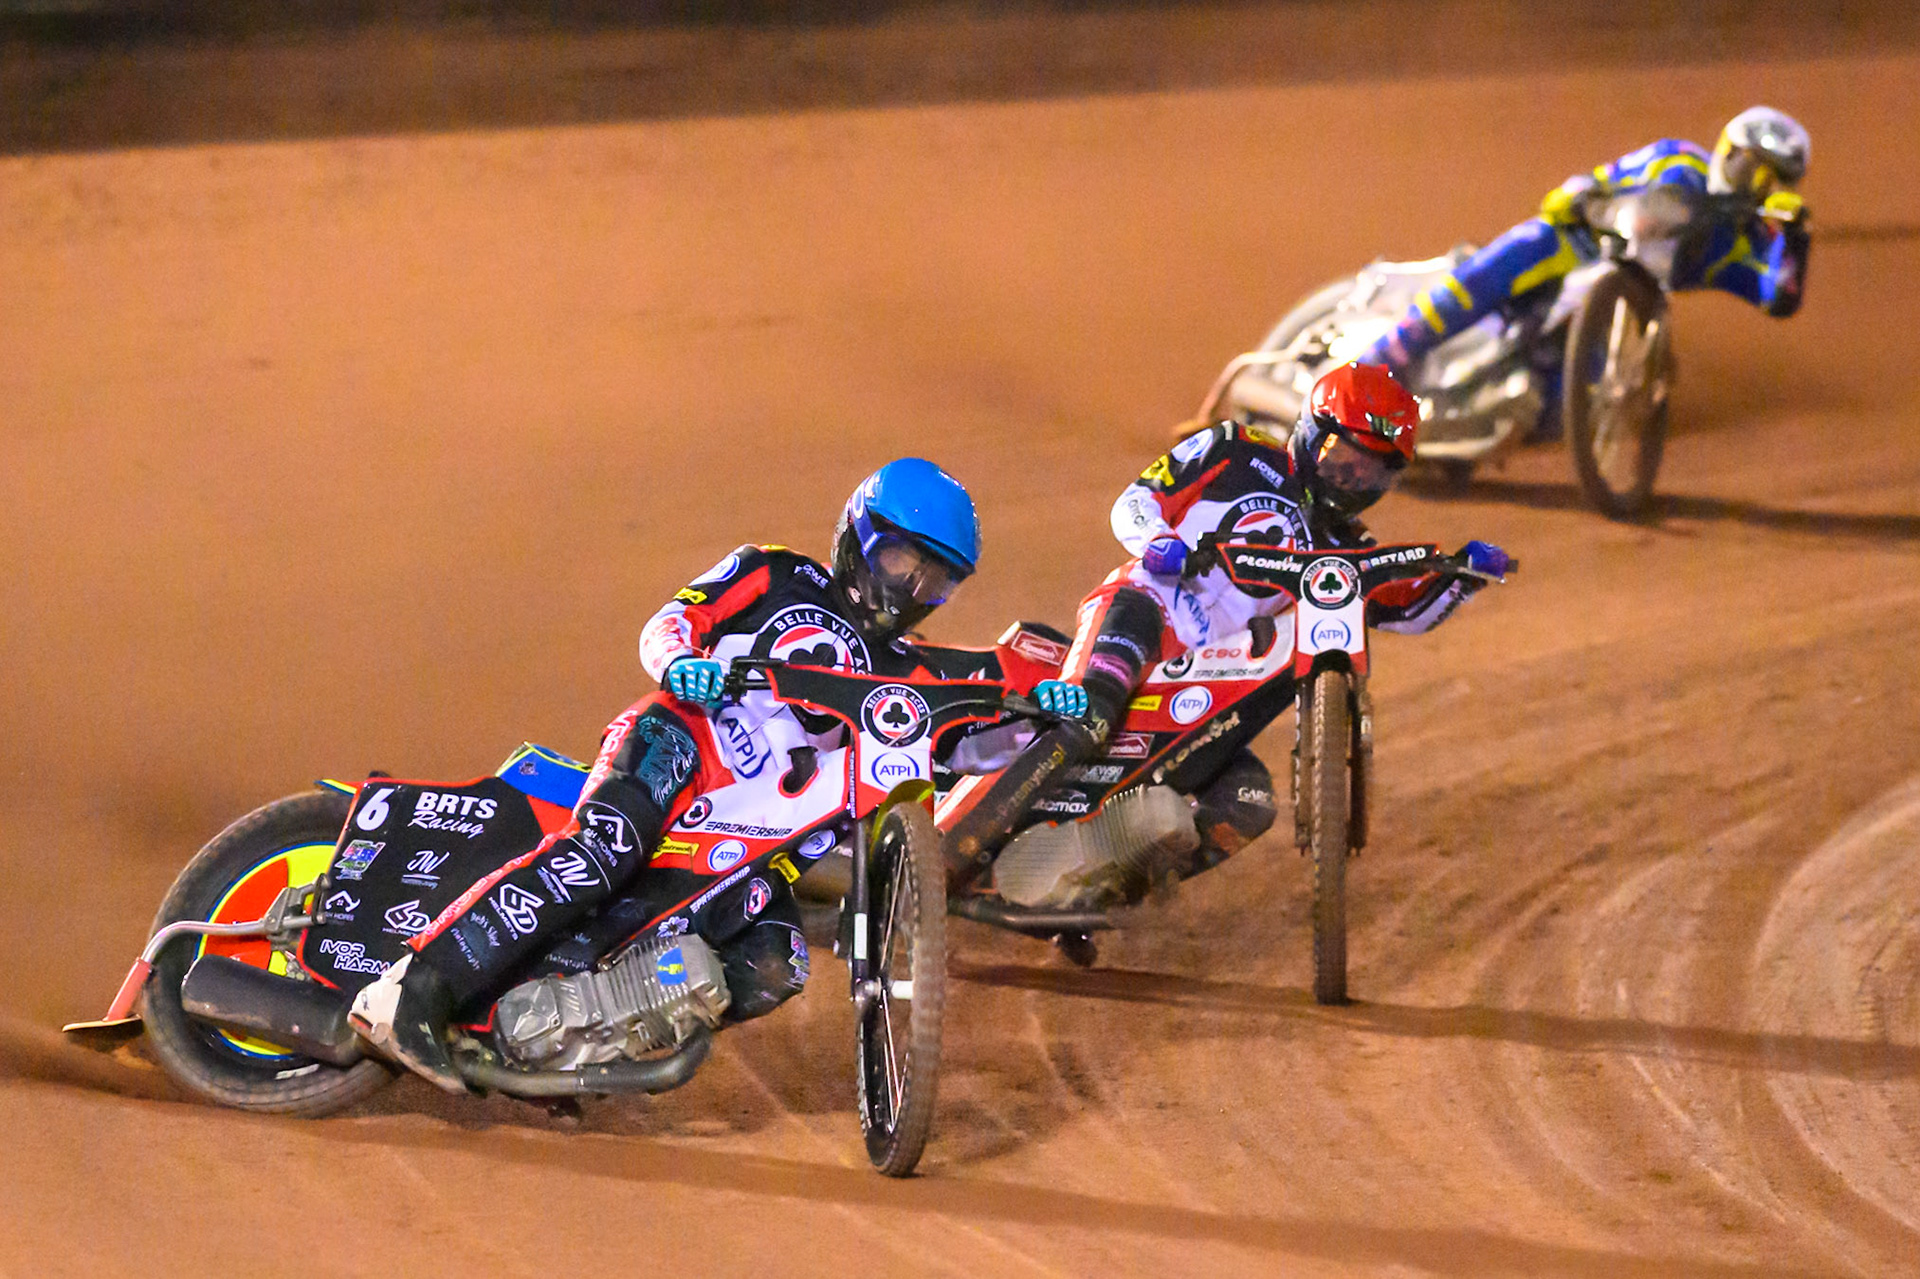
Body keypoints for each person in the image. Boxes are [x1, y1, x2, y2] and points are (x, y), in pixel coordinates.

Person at [351, 458, 989, 1091]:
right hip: (681, 739)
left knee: (776, 964)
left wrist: (1067, 708)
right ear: (862, 536)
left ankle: (579, 1036)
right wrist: (680, 661)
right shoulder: (775, 571)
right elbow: (673, 620)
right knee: (604, 850)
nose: (912, 590)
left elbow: (981, 735)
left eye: (936, 581)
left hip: (752, 841)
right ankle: (413, 993)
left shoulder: (912, 674)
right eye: (905, 562)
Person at [941, 363, 1510, 885]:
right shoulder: (1235, 448)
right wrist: (1162, 545)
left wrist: (1462, 576)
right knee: (1089, 716)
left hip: (1210, 683)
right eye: (1344, 455)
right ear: (1312, 429)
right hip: (1145, 609)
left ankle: (1090, 889)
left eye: (1372, 471)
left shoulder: (1347, 552)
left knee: (1250, 804)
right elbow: (1137, 501)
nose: (1352, 478)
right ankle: (948, 850)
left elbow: (1406, 612)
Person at [1357, 106, 1812, 382]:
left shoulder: (1741, 243)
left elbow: (1778, 299)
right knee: (1508, 260)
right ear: (1730, 154)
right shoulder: (1676, 159)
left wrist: (1795, 239)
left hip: (1626, 304)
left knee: (1581, 387)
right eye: (1754, 171)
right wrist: (1586, 201)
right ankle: (1381, 358)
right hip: (1578, 245)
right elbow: (1594, 182)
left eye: (1770, 183)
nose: (1756, 188)